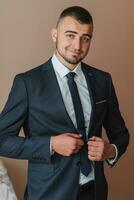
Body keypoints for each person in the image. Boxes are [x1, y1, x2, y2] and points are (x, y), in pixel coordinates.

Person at [0, 6, 129, 200]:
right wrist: (50, 144)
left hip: (94, 193)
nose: (77, 45)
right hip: (48, 194)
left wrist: (111, 150)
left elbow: (120, 133)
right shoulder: (27, 83)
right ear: (55, 34)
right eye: (70, 35)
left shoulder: (103, 81)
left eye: (85, 38)